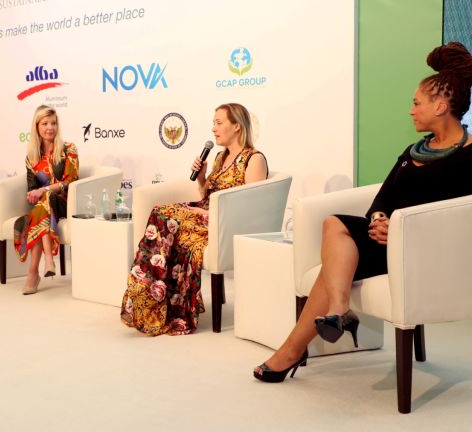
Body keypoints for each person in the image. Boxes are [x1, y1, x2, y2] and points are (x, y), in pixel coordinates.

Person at [253, 42, 472, 383]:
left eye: (417, 103)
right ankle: (338, 308)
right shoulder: (413, 151)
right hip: (387, 245)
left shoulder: (469, 156)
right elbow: (383, 199)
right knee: (334, 223)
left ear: (441, 106)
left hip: (422, 253)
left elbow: (458, 220)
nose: (411, 111)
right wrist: (379, 219)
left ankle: (294, 349)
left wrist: (399, 230)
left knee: (333, 265)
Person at [121, 103, 268, 336]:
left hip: (222, 224)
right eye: (213, 123)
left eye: (219, 123)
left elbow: (252, 208)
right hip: (203, 215)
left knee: (165, 216)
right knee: (160, 212)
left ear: (237, 126)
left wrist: (208, 214)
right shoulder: (220, 156)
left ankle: (154, 298)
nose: (213, 129)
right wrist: (201, 178)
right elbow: (206, 195)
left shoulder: (254, 159)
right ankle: (149, 297)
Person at [14, 105, 79, 295]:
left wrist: (44, 189)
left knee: (46, 198)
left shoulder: (69, 149)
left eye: (53, 123)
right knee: (42, 204)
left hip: (65, 202)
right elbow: (31, 189)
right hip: (44, 207)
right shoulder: (32, 158)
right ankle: (45, 264)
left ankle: (35, 272)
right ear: (37, 127)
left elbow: (70, 181)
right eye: (45, 123)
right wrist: (34, 193)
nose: (50, 127)